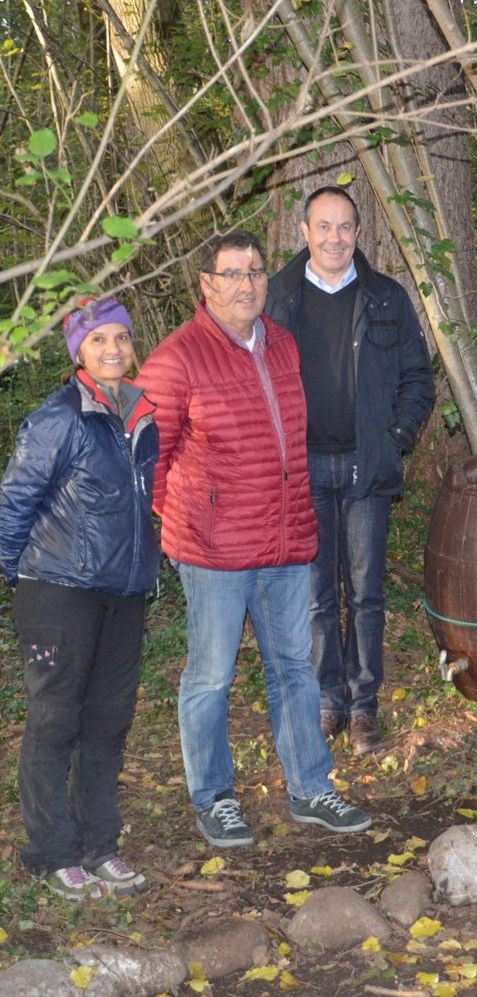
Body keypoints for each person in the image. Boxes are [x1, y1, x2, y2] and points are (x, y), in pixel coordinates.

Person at [137, 231, 371, 848]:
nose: (247, 284)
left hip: (285, 542)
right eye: (232, 274)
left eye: (256, 272)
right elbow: (147, 463)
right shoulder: (176, 358)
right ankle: (214, 798)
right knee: (210, 676)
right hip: (214, 553)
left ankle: (311, 787)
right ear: (207, 285)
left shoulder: (284, 346)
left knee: (294, 668)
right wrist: (186, 523)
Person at [267, 187, 435, 755]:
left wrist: (395, 439)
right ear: (304, 231)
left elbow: (419, 378)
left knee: (365, 593)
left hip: (367, 466)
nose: (334, 237)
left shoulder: (385, 297)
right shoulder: (276, 299)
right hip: (302, 468)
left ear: (358, 233)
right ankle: (327, 701)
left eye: (345, 227)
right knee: (315, 594)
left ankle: (364, 707)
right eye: (324, 226)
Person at [0, 298, 158, 899]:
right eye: (98, 341)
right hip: (58, 593)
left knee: (108, 722)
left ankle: (100, 846)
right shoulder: (59, 417)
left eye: (121, 337)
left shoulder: (142, 413)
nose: (112, 349)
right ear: (78, 352)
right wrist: (26, 576)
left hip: (124, 592)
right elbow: (13, 505)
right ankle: (52, 851)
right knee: (54, 720)